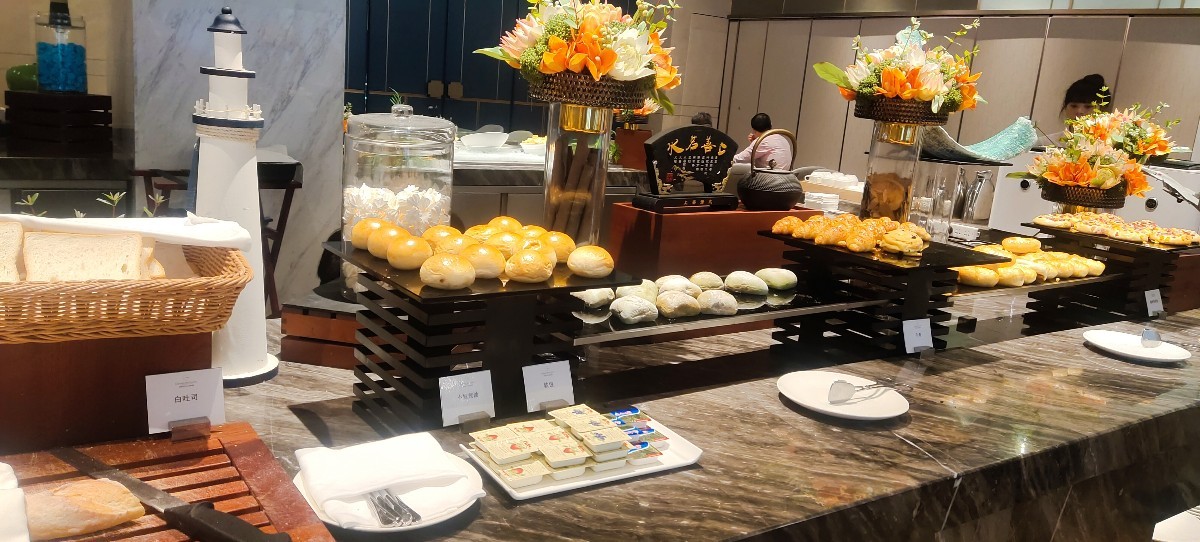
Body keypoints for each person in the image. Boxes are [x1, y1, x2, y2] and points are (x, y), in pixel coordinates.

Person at [1041, 74, 1111, 146]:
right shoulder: (1045, 143)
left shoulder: (1109, 145)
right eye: (1074, 106)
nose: (1079, 111)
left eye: (1088, 107)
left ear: (1102, 110)